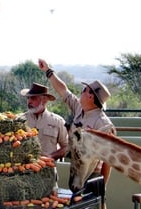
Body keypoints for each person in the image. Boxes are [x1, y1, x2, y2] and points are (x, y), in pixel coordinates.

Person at [37, 58, 116, 186]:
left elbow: (108, 161)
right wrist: (47, 70)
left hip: (92, 177)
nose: (81, 92)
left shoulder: (103, 124)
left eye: (85, 90)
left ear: (91, 96)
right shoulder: (80, 108)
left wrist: (102, 188)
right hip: (76, 174)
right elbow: (63, 91)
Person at [20, 82, 68, 161]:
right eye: (28, 98)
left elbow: (67, 147)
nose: (29, 101)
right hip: (24, 169)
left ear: (44, 100)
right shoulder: (19, 121)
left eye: (33, 98)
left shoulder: (57, 121)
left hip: (47, 169)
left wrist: (51, 156)